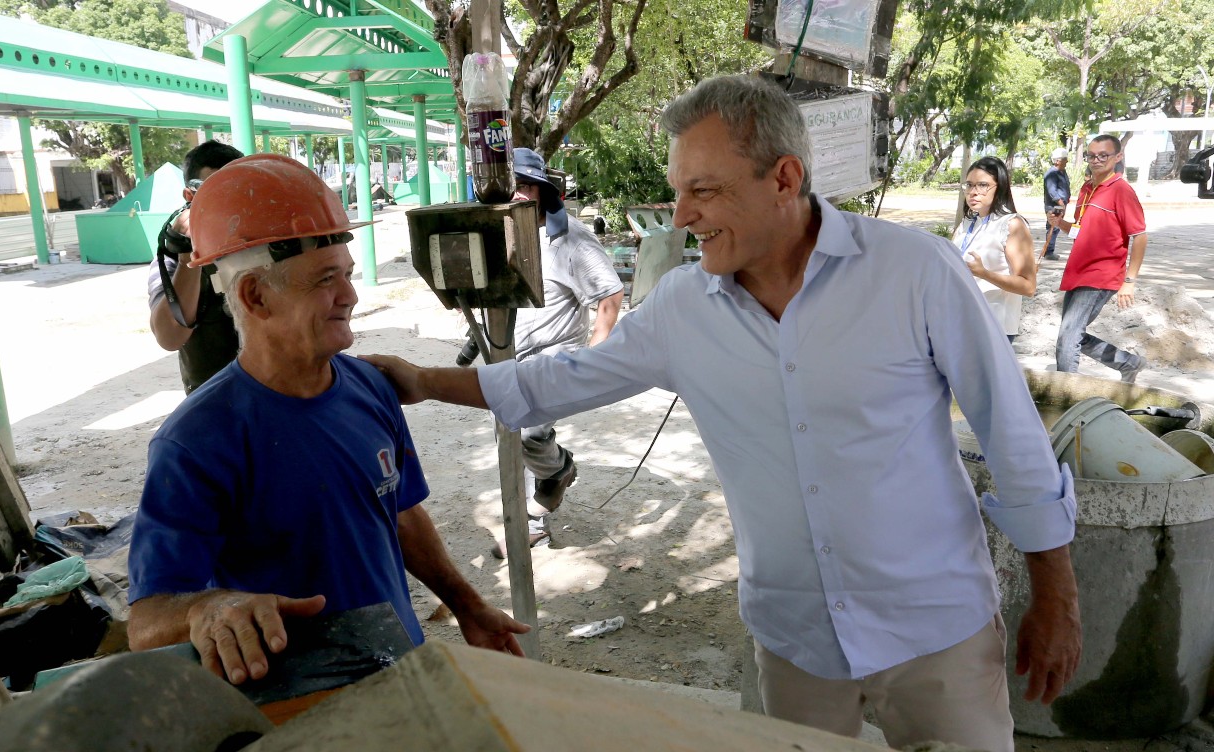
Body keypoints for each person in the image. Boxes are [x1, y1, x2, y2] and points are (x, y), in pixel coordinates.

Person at [364, 75, 1081, 752]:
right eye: (678, 191)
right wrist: (420, 381)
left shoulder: (914, 271)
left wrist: (1057, 596)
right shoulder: (682, 308)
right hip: (794, 641)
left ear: (785, 179)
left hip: (935, 630)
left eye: (702, 191)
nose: (681, 217)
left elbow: (1011, 434)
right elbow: (554, 382)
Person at [127, 154, 528, 685]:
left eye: (347, 275)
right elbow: (146, 621)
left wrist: (467, 604)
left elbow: (398, 514)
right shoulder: (196, 442)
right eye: (325, 280)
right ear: (254, 295)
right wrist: (207, 609)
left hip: (399, 669)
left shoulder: (371, 387)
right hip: (299, 704)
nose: (351, 297)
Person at [489, 148, 624, 558]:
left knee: (527, 428)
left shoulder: (570, 241)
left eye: (525, 186)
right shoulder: (505, 230)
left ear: (543, 192)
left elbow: (610, 295)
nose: (517, 195)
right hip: (515, 353)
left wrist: (593, 359)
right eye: (510, 187)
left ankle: (558, 472)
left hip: (555, 354)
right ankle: (533, 526)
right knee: (509, 437)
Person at [1046, 134, 1148, 382]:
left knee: (1069, 334)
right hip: (1078, 271)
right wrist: (1061, 224)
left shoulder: (1122, 191)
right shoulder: (1087, 189)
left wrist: (1129, 281)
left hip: (1102, 273)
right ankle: (1127, 362)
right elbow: (1081, 230)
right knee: (1070, 332)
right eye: (1092, 155)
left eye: (1103, 155)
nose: (1097, 160)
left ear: (1117, 157)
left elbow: (1140, 236)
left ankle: (1066, 395)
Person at [147, 140, 243, 394]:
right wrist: (187, 257)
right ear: (190, 196)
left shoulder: (272, 241)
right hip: (216, 400)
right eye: (216, 192)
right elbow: (170, 337)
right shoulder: (174, 258)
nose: (229, 203)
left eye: (239, 190)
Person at [952, 156, 1037, 342]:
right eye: (969, 185)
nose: (973, 192)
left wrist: (984, 273)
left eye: (982, 185)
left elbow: (1028, 287)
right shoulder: (967, 223)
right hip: (960, 320)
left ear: (1000, 187)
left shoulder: (1012, 224)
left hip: (993, 326)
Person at [1041, 148, 1071, 260]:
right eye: (1065, 159)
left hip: (1061, 204)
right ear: (1057, 161)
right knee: (1053, 226)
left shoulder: (1062, 172)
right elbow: (1052, 191)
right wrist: (1061, 203)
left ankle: (1049, 250)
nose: (1067, 161)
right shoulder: (1052, 174)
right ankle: (1048, 252)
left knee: (1057, 226)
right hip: (1055, 205)